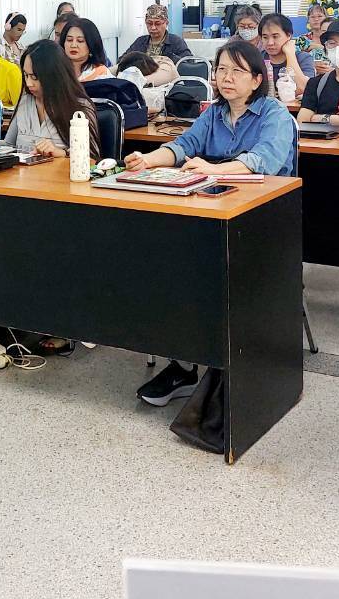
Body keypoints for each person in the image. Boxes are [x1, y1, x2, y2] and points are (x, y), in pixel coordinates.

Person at [124, 38, 296, 405]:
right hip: (214, 213)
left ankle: (223, 364)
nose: (226, 77)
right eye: (221, 69)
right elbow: (183, 145)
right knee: (168, 261)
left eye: (237, 70)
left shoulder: (275, 114)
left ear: (256, 78)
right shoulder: (212, 113)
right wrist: (147, 160)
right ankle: (183, 365)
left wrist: (215, 169)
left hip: (265, 223)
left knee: (207, 272)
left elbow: (262, 160)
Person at [6, 40, 99, 160]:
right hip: (24, 177)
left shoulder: (79, 108)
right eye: (26, 75)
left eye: (35, 77)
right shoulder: (25, 101)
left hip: (60, 177)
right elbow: (8, 146)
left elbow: (92, 158)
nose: (29, 83)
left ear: (53, 75)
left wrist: (62, 153)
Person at [259, 12, 316, 97]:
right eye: (265, 37)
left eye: (275, 37)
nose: (270, 43)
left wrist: (290, 54)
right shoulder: (257, 58)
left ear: (289, 36)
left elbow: (303, 88)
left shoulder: (303, 58)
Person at [124, 3, 191, 61]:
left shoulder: (176, 42)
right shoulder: (140, 42)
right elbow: (122, 60)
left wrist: (171, 58)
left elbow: (188, 64)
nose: (153, 28)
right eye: (149, 23)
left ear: (166, 23)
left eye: (157, 24)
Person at [59, 15, 113, 81]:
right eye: (69, 40)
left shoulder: (101, 74)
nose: (73, 45)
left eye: (80, 41)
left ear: (91, 44)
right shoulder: (56, 70)